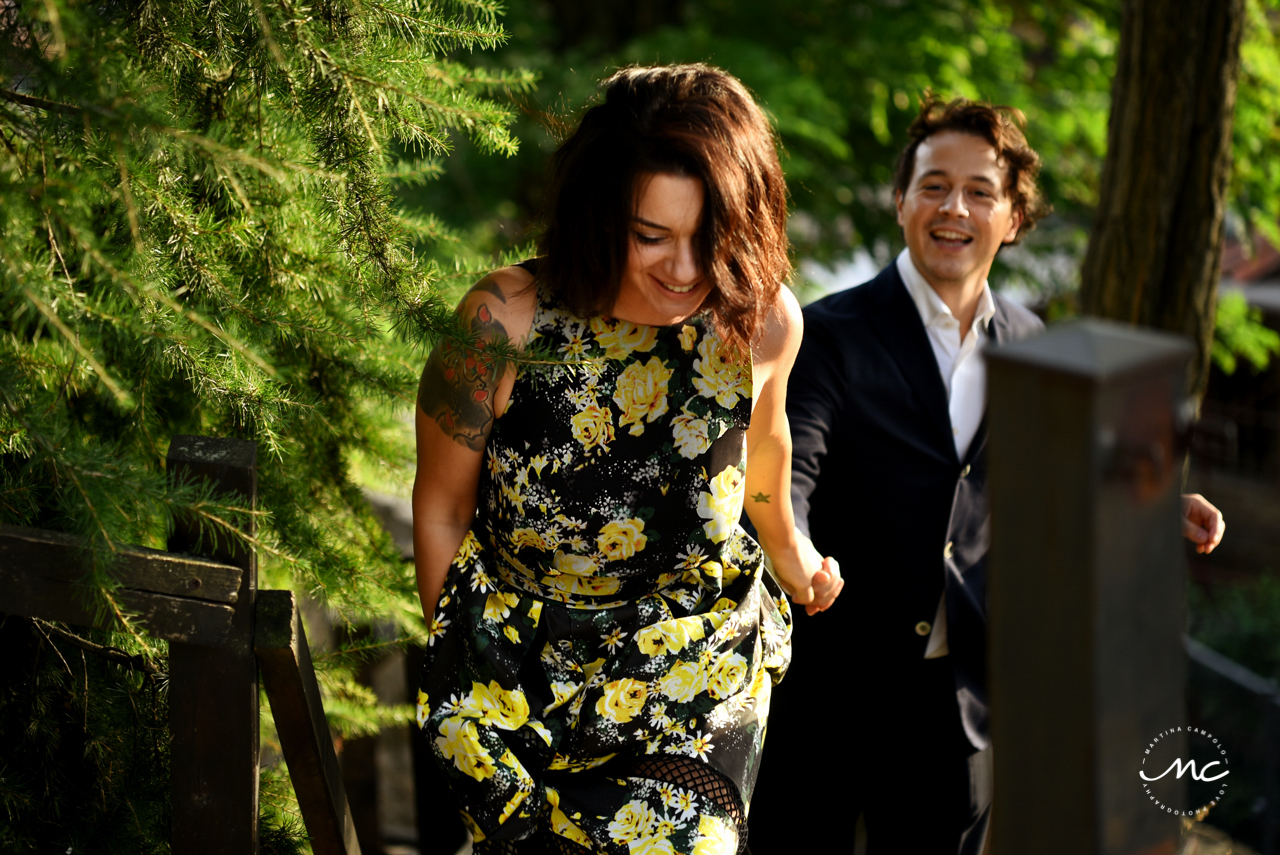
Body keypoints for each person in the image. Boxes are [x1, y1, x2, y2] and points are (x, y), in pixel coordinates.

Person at [747, 96, 1226, 854]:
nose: (954, 208)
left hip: (957, 706)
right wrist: (794, 542)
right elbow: (786, 461)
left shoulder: (1032, 343)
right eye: (934, 184)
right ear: (901, 199)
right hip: (826, 698)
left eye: (980, 191)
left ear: (1013, 217)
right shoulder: (829, 333)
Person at [412, 64, 842, 855]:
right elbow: (441, 509)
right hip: (510, 680)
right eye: (652, 236)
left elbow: (765, 458)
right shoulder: (497, 325)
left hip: (689, 661)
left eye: (709, 237)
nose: (684, 269)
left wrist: (796, 555)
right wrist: (456, 664)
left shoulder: (761, 321)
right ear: (600, 215)